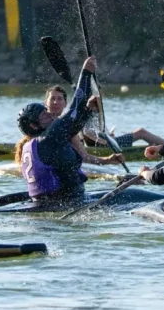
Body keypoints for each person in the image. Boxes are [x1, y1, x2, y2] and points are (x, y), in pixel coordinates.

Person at [17, 56, 125, 204]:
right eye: (44, 115)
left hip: (48, 201)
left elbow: (74, 125)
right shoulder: (51, 135)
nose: (49, 114)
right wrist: (86, 73)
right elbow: (75, 107)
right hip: (68, 202)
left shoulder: (35, 143)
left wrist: (88, 110)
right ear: (34, 125)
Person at [29, 85, 150, 168]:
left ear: (65, 104)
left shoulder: (68, 128)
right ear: (46, 103)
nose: (55, 102)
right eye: (52, 99)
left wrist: (107, 160)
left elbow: (84, 157)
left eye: (59, 99)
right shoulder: (36, 124)